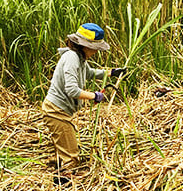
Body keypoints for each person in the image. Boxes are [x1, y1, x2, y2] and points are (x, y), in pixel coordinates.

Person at [42, 23, 126, 181]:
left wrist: (111, 73)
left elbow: (89, 73)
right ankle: (64, 183)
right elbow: (72, 90)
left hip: (60, 111)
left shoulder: (79, 58)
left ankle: (57, 166)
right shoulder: (71, 58)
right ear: (82, 45)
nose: (95, 52)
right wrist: (94, 96)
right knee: (72, 156)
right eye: (93, 48)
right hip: (56, 111)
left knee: (67, 147)